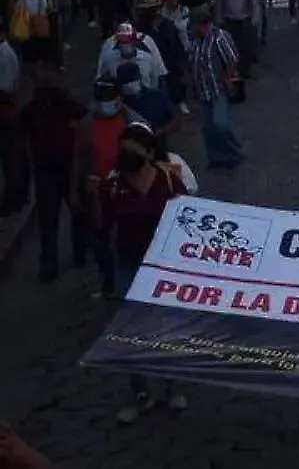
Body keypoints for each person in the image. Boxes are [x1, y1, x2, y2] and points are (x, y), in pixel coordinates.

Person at [96, 123, 188, 423]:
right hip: (130, 264)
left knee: (167, 329)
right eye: (122, 151)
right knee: (132, 331)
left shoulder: (168, 180)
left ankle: (172, 387)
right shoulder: (113, 186)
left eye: (132, 151)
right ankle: (140, 393)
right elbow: (103, 226)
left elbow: (190, 218)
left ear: (149, 152)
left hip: (166, 267)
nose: (125, 156)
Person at [73, 79, 146, 297]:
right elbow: (78, 157)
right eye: (101, 99)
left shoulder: (134, 122)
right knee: (100, 239)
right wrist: (76, 189)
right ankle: (109, 282)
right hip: (98, 194)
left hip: (127, 191)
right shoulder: (87, 124)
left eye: (108, 99)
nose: (105, 104)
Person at [23, 66, 89, 283]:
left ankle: (78, 253)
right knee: (49, 220)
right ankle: (51, 263)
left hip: (69, 168)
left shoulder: (70, 108)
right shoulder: (34, 110)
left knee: (75, 213)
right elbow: (21, 134)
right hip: (47, 171)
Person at [189, 10, 243, 170]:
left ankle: (233, 152)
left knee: (221, 123)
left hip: (219, 88)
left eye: (207, 23)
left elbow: (232, 58)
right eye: (202, 24)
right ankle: (216, 157)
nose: (206, 26)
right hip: (202, 89)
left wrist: (228, 78)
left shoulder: (219, 37)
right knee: (208, 127)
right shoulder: (193, 40)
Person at [114, 63, 181, 152]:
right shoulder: (118, 104)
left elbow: (176, 121)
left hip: (158, 150)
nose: (129, 84)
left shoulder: (158, 96)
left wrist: (159, 132)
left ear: (140, 78)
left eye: (132, 80)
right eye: (126, 82)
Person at [214, 0, 261, 78]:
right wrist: (219, 22)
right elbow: (219, 7)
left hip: (245, 21)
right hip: (229, 22)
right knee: (230, 48)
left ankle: (246, 70)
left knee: (246, 48)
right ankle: (232, 71)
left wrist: (254, 20)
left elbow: (255, 6)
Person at [96, 22, 168, 90]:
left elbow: (159, 75)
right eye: (122, 42)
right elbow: (101, 78)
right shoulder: (109, 55)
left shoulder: (147, 57)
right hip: (121, 99)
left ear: (135, 42)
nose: (125, 45)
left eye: (128, 41)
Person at [0, 21, 23, 216]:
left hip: (5, 113)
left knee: (9, 159)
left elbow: (6, 89)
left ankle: (13, 199)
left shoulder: (5, 55)